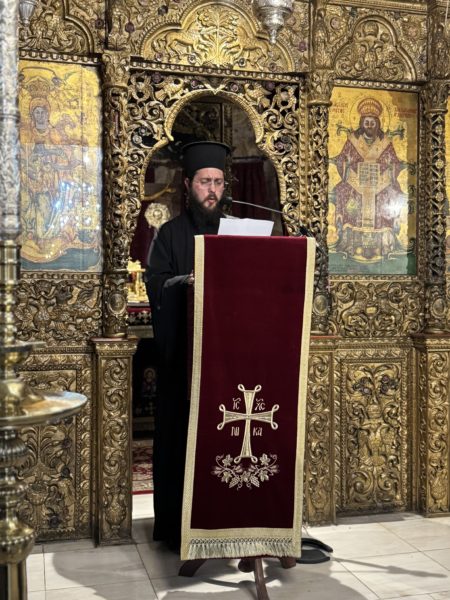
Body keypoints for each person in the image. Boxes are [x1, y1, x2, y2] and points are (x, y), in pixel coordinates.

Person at [145, 141, 230, 551]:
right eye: (204, 182)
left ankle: (232, 521)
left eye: (218, 182)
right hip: (184, 362)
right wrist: (186, 282)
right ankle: (180, 528)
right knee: (181, 440)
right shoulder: (170, 235)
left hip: (229, 364)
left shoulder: (237, 233)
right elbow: (156, 285)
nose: (211, 190)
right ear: (187, 185)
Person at [330, 97, 409, 262]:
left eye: (372, 123)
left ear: (377, 124)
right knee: (342, 192)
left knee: (393, 194)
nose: (369, 126)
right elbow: (342, 159)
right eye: (366, 123)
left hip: (380, 182)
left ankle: (385, 244)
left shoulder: (385, 142)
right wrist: (347, 165)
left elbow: (394, 162)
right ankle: (350, 243)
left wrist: (390, 168)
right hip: (356, 182)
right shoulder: (353, 140)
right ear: (361, 123)